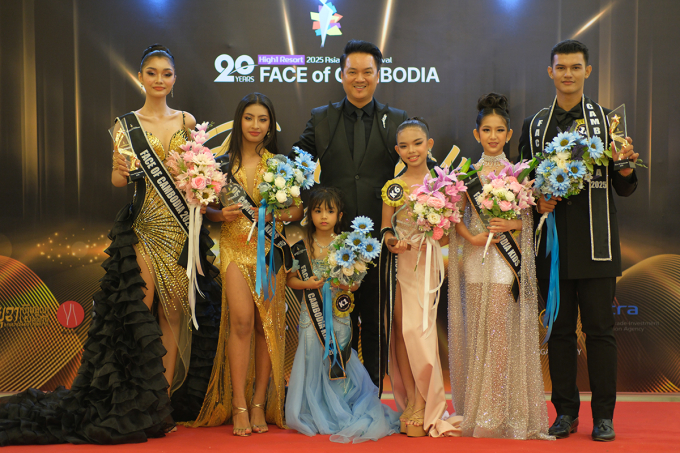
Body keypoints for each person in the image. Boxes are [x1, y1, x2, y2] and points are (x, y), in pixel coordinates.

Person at [0, 44, 221, 445]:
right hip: (144, 226)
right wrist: (120, 169)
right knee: (141, 312)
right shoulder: (126, 124)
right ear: (140, 77)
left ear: (175, 78)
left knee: (173, 314)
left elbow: (197, 176)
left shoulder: (187, 121)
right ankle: (140, 399)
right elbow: (119, 180)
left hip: (180, 228)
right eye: (152, 72)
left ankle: (161, 404)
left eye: (166, 73)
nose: (159, 79)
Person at [518, 40, 639, 442]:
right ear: (550, 72)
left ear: (587, 71)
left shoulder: (609, 122)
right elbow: (522, 184)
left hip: (597, 244)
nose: (567, 74)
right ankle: (565, 413)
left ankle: (604, 416)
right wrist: (536, 198)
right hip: (552, 248)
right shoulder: (534, 125)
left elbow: (626, 186)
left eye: (575, 67)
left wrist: (625, 169)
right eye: (561, 67)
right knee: (559, 334)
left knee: (601, 332)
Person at [293, 40, 408, 390]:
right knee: (338, 320)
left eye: (367, 72)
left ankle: (372, 393)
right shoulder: (321, 117)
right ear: (341, 75)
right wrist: (310, 204)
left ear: (378, 75)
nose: (360, 78)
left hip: (380, 240)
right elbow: (296, 163)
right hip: (332, 240)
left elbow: (416, 169)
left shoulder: (396, 119)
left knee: (374, 321)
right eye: (352, 72)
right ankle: (337, 395)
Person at [189, 93, 302, 437]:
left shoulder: (279, 164)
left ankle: (258, 403)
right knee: (240, 322)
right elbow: (204, 207)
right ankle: (238, 403)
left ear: (271, 125)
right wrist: (218, 214)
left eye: (262, 119)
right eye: (249, 117)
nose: (255, 125)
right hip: (234, 248)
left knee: (265, 327)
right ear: (239, 120)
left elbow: (297, 209)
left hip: (269, 251)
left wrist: (276, 214)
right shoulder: (220, 164)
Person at [447, 93, 552, 440]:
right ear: (476, 133)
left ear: (508, 134)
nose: (493, 136)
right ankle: (480, 409)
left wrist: (512, 224)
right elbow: (455, 218)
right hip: (476, 258)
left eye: (499, 130)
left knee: (501, 334)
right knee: (479, 334)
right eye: (486, 130)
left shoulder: (518, 173)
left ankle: (501, 410)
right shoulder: (466, 173)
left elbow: (531, 220)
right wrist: (472, 238)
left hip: (507, 261)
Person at [285, 187, 400, 443]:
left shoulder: (346, 244)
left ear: (339, 215)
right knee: (311, 354)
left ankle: (339, 406)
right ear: (310, 215)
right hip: (311, 312)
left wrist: (346, 285)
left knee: (339, 357)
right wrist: (307, 284)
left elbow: (356, 284)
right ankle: (313, 409)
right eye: (318, 211)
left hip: (339, 312)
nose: (323, 216)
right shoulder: (302, 245)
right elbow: (290, 279)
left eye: (330, 211)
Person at [380, 118, 462, 438]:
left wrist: (434, 235)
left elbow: (450, 232)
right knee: (401, 332)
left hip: (426, 264)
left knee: (419, 331)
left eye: (417, 143)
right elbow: (386, 227)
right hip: (399, 264)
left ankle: (427, 401)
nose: (411, 150)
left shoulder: (443, 183)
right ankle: (412, 398)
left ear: (429, 144)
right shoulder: (394, 185)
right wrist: (392, 242)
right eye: (404, 146)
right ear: (397, 150)